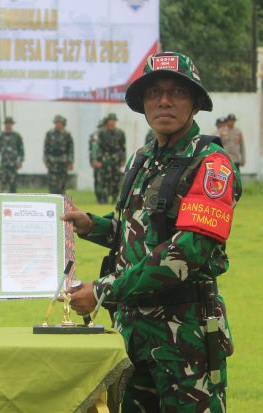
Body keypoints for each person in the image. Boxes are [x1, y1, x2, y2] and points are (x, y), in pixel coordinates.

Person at [64, 52, 240, 413]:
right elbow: (136, 232)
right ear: (142, 103)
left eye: (177, 91)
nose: (164, 100)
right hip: (132, 333)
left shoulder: (211, 165)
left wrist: (101, 290)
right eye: (153, 92)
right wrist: (90, 225)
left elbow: (185, 253)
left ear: (194, 102)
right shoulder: (141, 159)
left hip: (184, 340)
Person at [97, 113, 126, 204]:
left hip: (116, 159)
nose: (112, 122)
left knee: (116, 179)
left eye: (114, 121)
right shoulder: (102, 132)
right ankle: (103, 199)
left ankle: (114, 198)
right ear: (107, 121)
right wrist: (99, 160)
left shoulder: (120, 133)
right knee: (104, 179)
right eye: (110, 120)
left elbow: (123, 147)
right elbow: (99, 147)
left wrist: (123, 159)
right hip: (105, 159)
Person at [0, 116, 24, 193]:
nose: (8, 125)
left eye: (10, 124)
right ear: (5, 125)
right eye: (7, 124)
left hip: (13, 165)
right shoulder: (0, 137)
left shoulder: (17, 136)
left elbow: (21, 150)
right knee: (3, 184)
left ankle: (13, 202)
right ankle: (2, 202)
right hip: (3, 165)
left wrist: (20, 161)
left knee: (13, 185)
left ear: (12, 125)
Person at [43, 115, 74, 194]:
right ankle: (53, 198)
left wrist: (70, 161)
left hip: (63, 162)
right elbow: (46, 148)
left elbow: (70, 149)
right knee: (52, 182)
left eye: (59, 123)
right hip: (52, 161)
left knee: (62, 182)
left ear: (63, 124)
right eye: (56, 123)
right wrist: (45, 160)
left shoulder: (67, 134)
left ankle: (61, 198)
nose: (58, 124)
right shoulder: (50, 134)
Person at [90, 117, 106, 203]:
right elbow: (91, 150)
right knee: (98, 180)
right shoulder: (95, 136)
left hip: (104, 161)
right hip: (97, 161)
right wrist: (93, 161)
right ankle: (100, 198)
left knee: (104, 180)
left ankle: (104, 198)